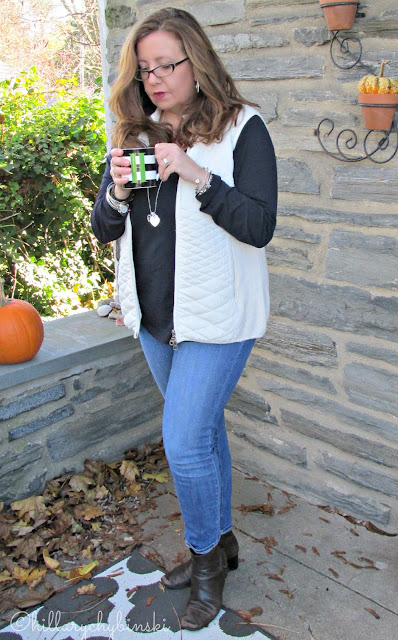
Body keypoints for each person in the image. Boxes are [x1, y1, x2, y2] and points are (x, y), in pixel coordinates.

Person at [91, 6, 277, 631]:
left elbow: (258, 226)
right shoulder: (132, 132)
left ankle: (205, 567)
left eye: (168, 64)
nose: (155, 78)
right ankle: (221, 543)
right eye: (145, 68)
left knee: (183, 440)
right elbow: (104, 229)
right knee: (202, 434)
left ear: (197, 63)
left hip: (219, 318)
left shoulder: (241, 129)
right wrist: (116, 191)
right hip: (154, 318)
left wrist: (198, 176)